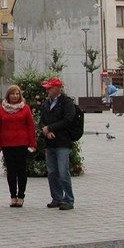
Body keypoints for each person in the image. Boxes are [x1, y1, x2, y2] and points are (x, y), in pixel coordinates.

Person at [0, 84, 37, 208]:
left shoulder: (25, 108)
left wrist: (32, 143)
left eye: (17, 94)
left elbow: (31, 126)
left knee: (21, 171)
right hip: (7, 145)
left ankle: (21, 196)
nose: (15, 96)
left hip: (22, 144)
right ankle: (13, 196)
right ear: (8, 95)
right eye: (12, 94)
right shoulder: (1, 109)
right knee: (11, 171)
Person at [40, 78, 77, 210]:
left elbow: (68, 120)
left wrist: (50, 128)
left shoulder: (67, 103)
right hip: (50, 143)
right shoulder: (46, 103)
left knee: (63, 172)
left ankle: (68, 200)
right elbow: (42, 121)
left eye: (49, 88)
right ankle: (56, 198)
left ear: (57, 89)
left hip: (62, 143)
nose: (47, 90)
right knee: (52, 172)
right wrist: (46, 131)